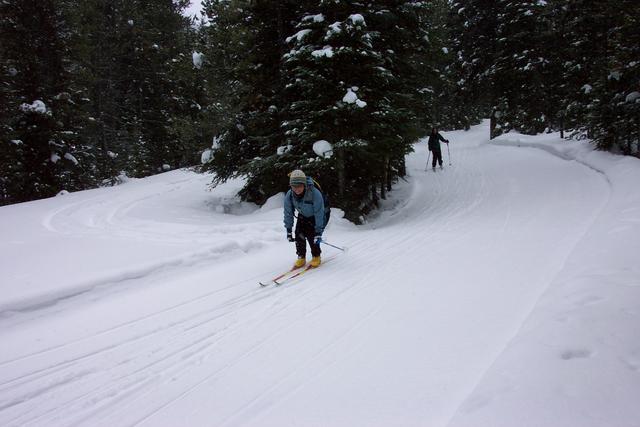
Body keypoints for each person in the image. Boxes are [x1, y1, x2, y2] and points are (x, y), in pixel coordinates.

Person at [284, 169, 326, 268]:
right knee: (299, 235)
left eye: (299, 186)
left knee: (312, 236)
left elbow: (320, 213)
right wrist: (289, 230)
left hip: (315, 216)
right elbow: (288, 213)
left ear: (304, 184)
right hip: (302, 215)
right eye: (294, 186)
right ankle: (301, 257)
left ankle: (316, 256)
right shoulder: (290, 195)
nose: (297, 189)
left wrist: (319, 232)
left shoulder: (314, 193)